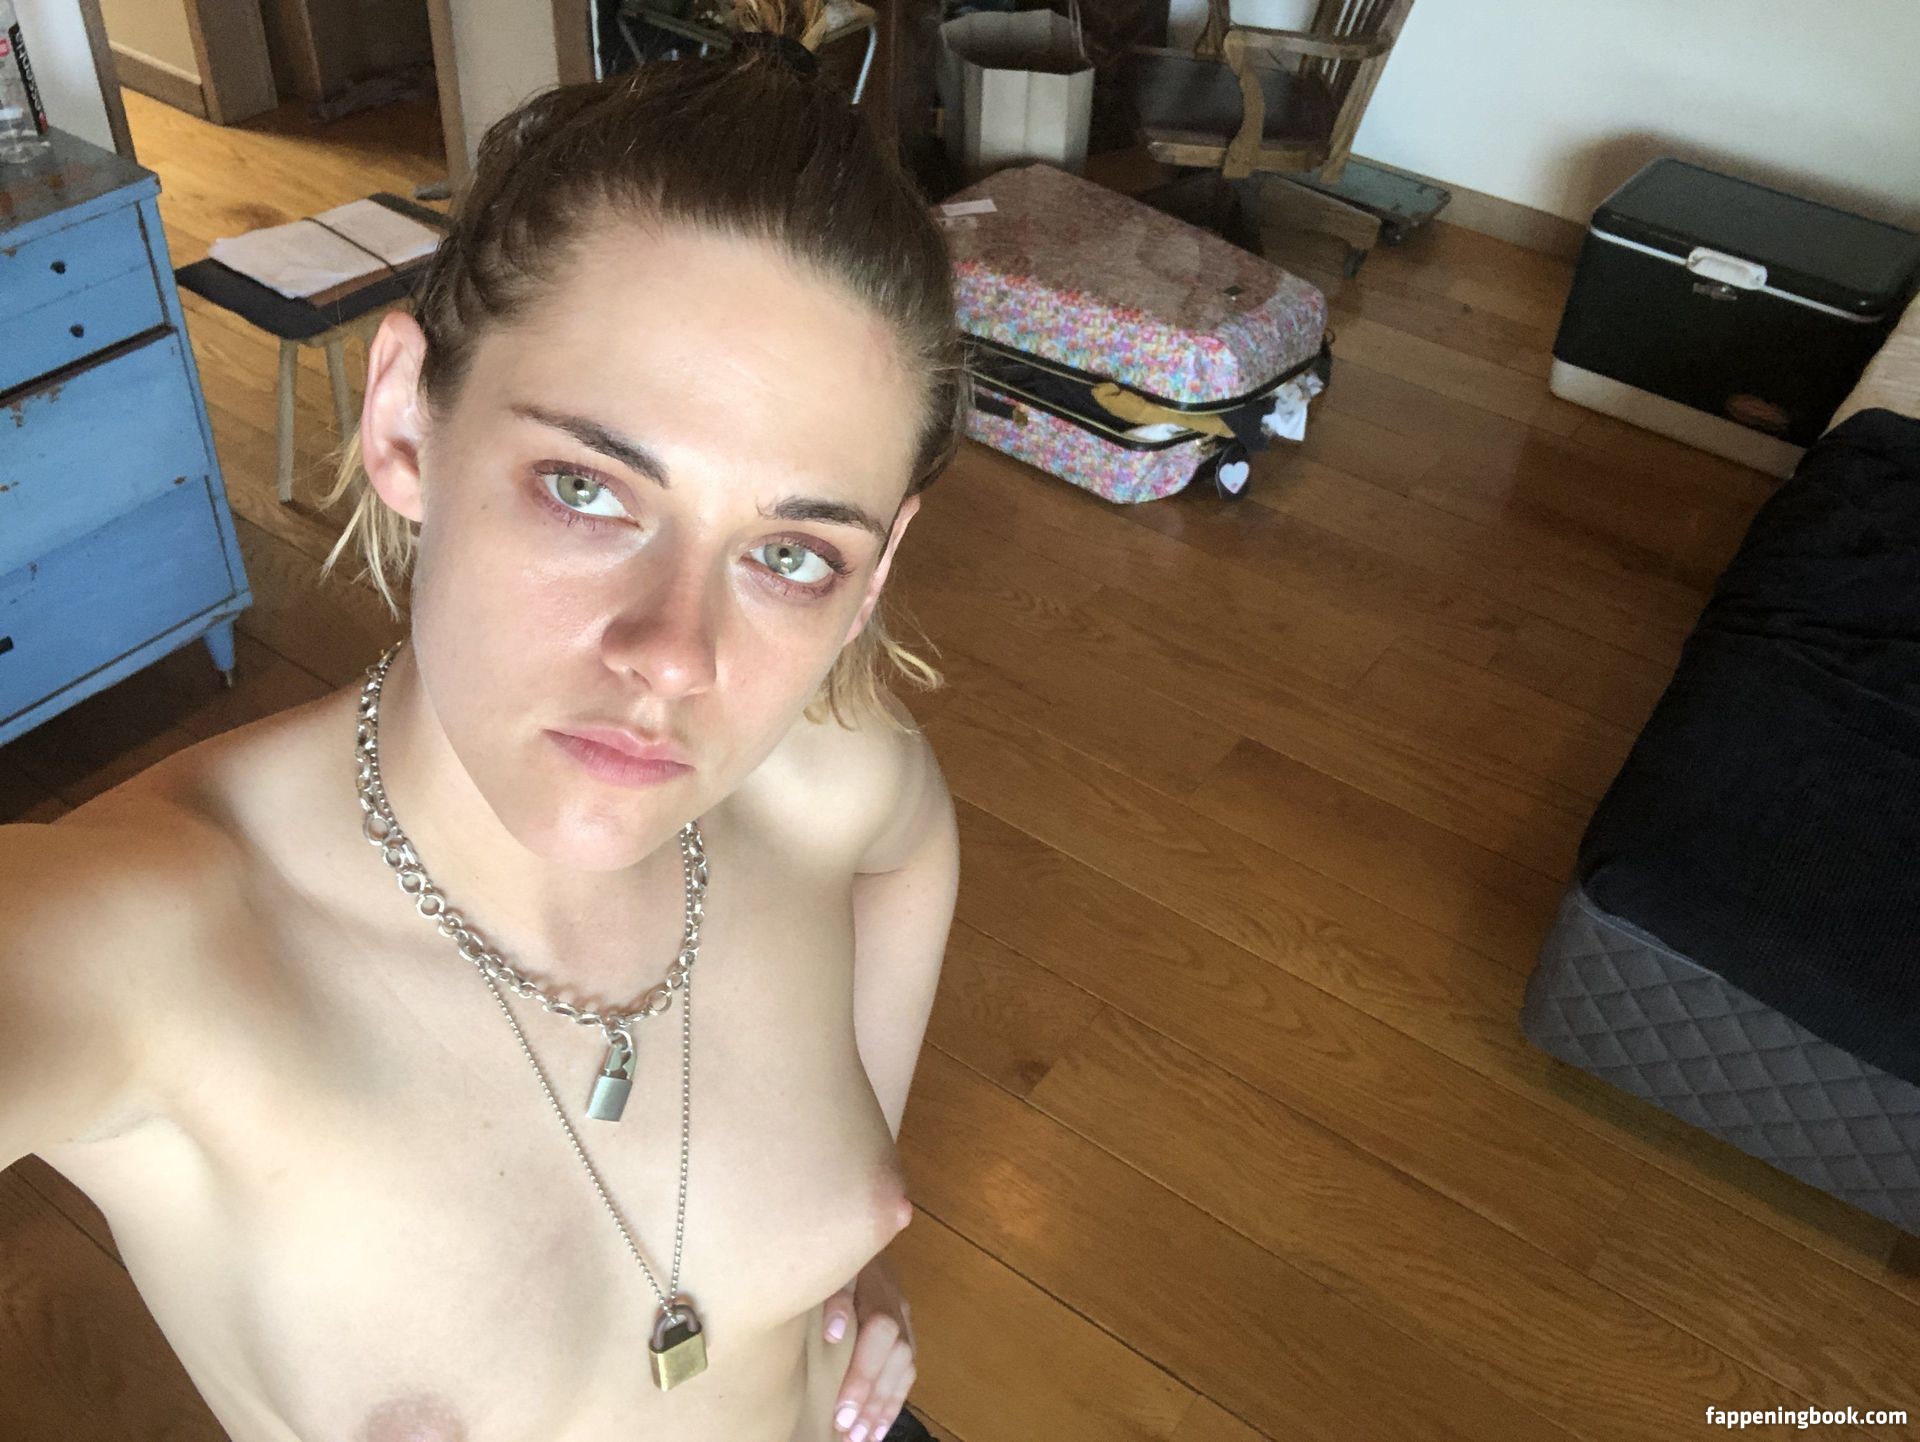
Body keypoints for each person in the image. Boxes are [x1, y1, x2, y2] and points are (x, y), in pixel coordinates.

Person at [0, 0, 966, 1436]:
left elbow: (912, 851)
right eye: (586, 487)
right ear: (406, 422)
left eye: (792, 554)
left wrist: (842, 1252)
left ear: (873, 574)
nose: (672, 657)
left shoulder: (828, 785)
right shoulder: (145, 946)